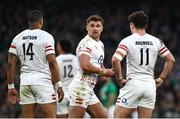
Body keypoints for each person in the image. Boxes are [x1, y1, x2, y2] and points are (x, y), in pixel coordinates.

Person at [112, 11, 175, 118]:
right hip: (150, 85)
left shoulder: (127, 41)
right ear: (145, 25)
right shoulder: (156, 41)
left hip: (133, 83)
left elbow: (115, 60)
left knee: (117, 117)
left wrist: (119, 78)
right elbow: (171, 60)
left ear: (131, 25)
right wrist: (162, 78)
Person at [7, 10, 64, 118]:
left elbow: (10, 64)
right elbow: (52, 62)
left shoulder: (17, 38)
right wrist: (59, 85)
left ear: (28, 22)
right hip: (42, 82)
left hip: (25, 83)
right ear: (41, 21)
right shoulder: (47, 36)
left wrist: (10, 87)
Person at [68, 15, 114, 118]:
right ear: (87, 28)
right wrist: (103, 72)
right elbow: (85, 65)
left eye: (98, 26)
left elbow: (99, 67)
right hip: (81, 87)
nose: (95, 28)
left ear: (102, 28)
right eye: (92, 25)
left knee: (103, 117)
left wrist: (109, 71)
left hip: (88, 88)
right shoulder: (86, 43)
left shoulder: (100, 44)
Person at [56, 39, 78, 118]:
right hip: (74, 93)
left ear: (60, 47)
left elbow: (52, 77)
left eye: (58, 45)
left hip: (61, 94)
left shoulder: (56, 60)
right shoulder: (76, 59)